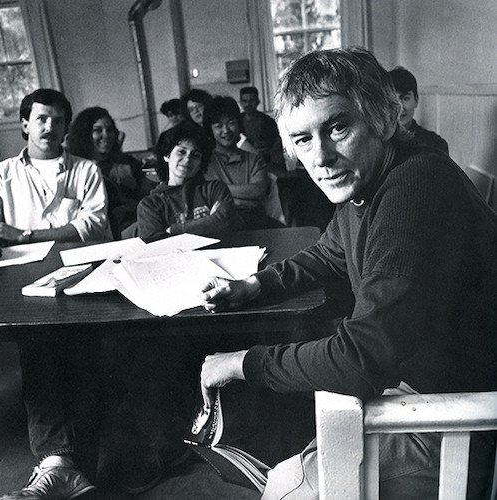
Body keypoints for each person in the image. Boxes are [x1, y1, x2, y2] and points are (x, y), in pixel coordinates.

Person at [198, 48, 497, 499]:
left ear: (379, 118)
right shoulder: (370, 184)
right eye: (302, 140)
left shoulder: (412, 188)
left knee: (284, 484)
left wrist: (243, 362)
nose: (321, 157)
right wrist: (257, 284)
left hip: (465, 424)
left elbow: (360, 359)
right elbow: (330, 252)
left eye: (338, 128)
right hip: (420, 391)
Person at [0, 89, 111, 499]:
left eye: (59, 120)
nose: (50, 127)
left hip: (79, 278)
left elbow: (92, 227)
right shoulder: (3, 174)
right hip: (20, 286)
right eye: (42, 119)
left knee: (81, 357)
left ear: (66, 127)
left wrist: (24, 234)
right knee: (42, 349)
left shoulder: (85, 170)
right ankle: (66, 470)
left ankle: (61, 468)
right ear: (25, 123)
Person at [137, 121, 240, 241]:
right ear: (167, 155)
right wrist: (209, 223)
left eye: (195, 155)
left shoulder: (214, 189)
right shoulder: (150, 204)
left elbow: (224, 221)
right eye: (181, 152)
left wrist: (174, 230)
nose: (187, 159)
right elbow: (156, 247)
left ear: (201, 162)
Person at [68, 106, 151, 238]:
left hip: (137, 223)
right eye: (97, 130)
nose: (106, 135)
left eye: (110, 130)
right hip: (104, 234)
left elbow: (148, 196)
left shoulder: (127, 163)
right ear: (84, 134)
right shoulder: (76, 170)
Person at [203, 95, 283, 230]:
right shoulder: (205, 161)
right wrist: (243, 196)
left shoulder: (253, 159)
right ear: (210, 129)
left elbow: (258, 190)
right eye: (218, 126)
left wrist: (218, 190)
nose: (226, 130)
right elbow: (205, 196)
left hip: (255, 223)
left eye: (231, 123)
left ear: (239, 124)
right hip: (218, 226)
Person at [389, 66, 449, 154]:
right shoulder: (378, 142)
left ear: (416, 100)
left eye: (405, 98)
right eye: (393, 100)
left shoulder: (435, 144)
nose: (400, 107)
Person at [239, 86, 286, 176]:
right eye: (245, 101)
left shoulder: (268, 122)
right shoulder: (236, 122)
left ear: (257, 101)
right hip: (243, 165)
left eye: (251, 101)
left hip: (267, 164)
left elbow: (277, 146)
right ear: (240, 103)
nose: (248, 104)